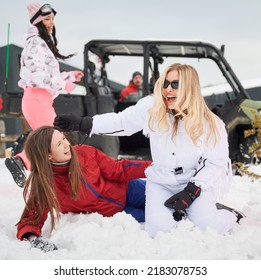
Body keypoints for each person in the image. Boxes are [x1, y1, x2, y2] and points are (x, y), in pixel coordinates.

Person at [54, 63, 245, 238]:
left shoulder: (210, 123)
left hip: (194, 182)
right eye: (166, 83)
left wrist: (192, 191)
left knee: (207, 227)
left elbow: (216, 161)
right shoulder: (152, 107)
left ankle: (228, 214)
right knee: (159, 231)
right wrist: (85, 123)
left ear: (189, 88)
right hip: (161, 182)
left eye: (175, 84)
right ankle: (188, 210)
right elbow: (122, 122)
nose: (168, 89)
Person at [16, 126, 151, 252]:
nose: (66, 144)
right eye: (59, 144)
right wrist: (33, 238)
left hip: (128, 189)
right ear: (48, 156)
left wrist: (153, 168)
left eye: (64, 138)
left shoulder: (85, 153)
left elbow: (118, 169)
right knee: (160, 213)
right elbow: (31, 218)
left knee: (165, 196)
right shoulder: (46, 185)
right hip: (119, 213)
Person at [5, 3, 84, 188]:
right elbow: (36, 75)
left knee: (49, 141)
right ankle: (22, 162)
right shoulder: (35, 43)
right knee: (54, 140)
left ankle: (42, 178)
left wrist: (70, 76)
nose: (51, 23)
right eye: (47, 19)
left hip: (41, 99)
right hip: (36, 99)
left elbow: (47, 75)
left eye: (52, 19)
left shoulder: (41, 43)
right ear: (38, 22)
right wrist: (64, 84)